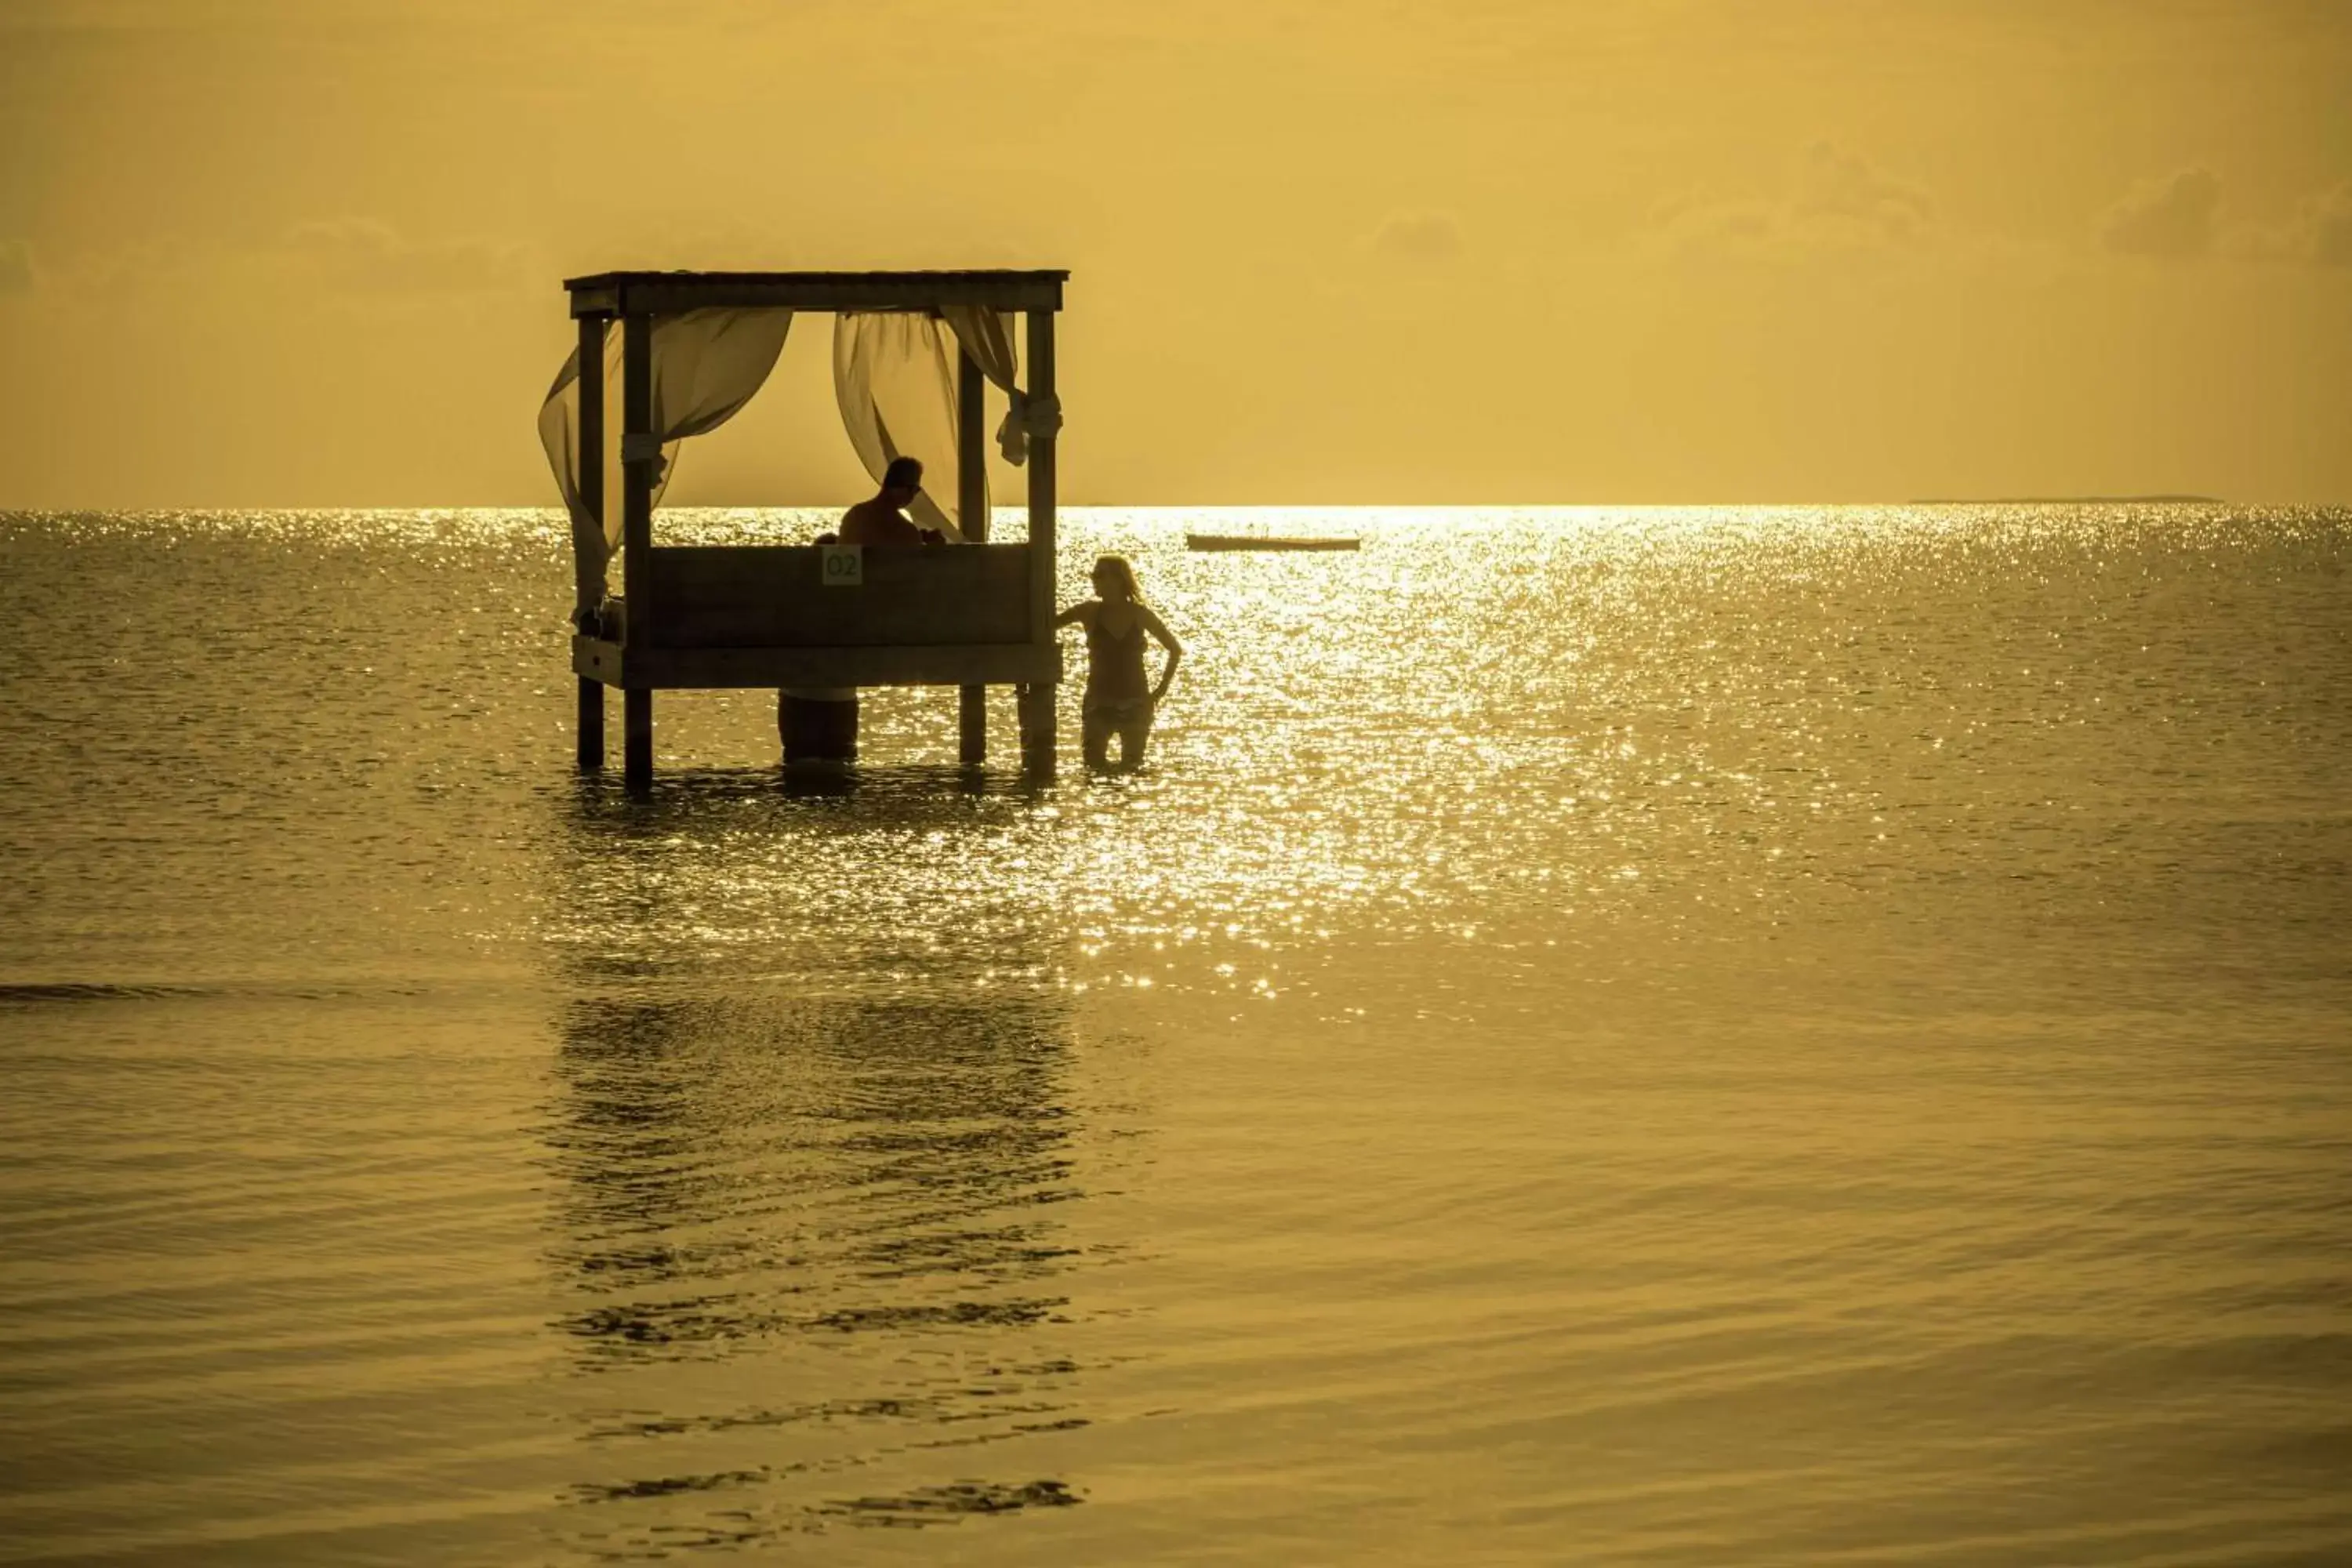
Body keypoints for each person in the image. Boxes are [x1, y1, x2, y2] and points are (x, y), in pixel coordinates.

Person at [1054, 555, 1181, 771]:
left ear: (1119, 580)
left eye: (1100, 575)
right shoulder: (1088, 611)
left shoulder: (1140, 614)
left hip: (1135, 701)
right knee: (1093, 770)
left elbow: (1174, 649)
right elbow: (1047, 624)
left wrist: (1159, 692)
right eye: (1094, 575)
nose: (1094, 580)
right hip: (1098, 701)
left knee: (1132, 769)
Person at [838, 456, 954, 546]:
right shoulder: (905, 532)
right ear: (903, 489)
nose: (914, 496)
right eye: (916, 489)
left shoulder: (854, 516)